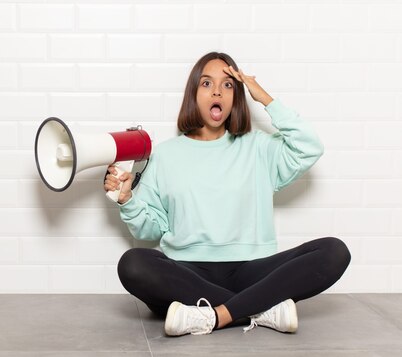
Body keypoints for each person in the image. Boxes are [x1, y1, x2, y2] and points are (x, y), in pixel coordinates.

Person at [103, 52, 351, 336]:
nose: (217, 91)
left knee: (334, 251)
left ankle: (211, 314)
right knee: (133, 264)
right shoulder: (165, 155)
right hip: (189, 272)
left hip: (255, 271)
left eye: (228, 85)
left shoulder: (259, 147)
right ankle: (259, 308)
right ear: (193, 94)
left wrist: (266, 99)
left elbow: (310, 148)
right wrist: (127, 200)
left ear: (236, 97)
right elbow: (152, 229)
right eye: (207, 83)